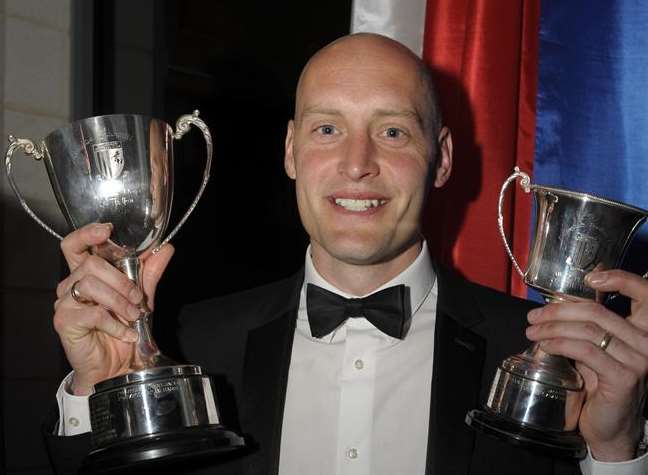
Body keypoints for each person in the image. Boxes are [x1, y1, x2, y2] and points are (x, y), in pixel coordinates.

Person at [44, 33, 648, 474]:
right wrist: (97, 395)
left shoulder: (552, 365)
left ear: (442, 159)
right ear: (290, 151)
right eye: (327, 129)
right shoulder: (194, 346)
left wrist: (615, 451)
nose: (357, 164)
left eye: (392, 131)